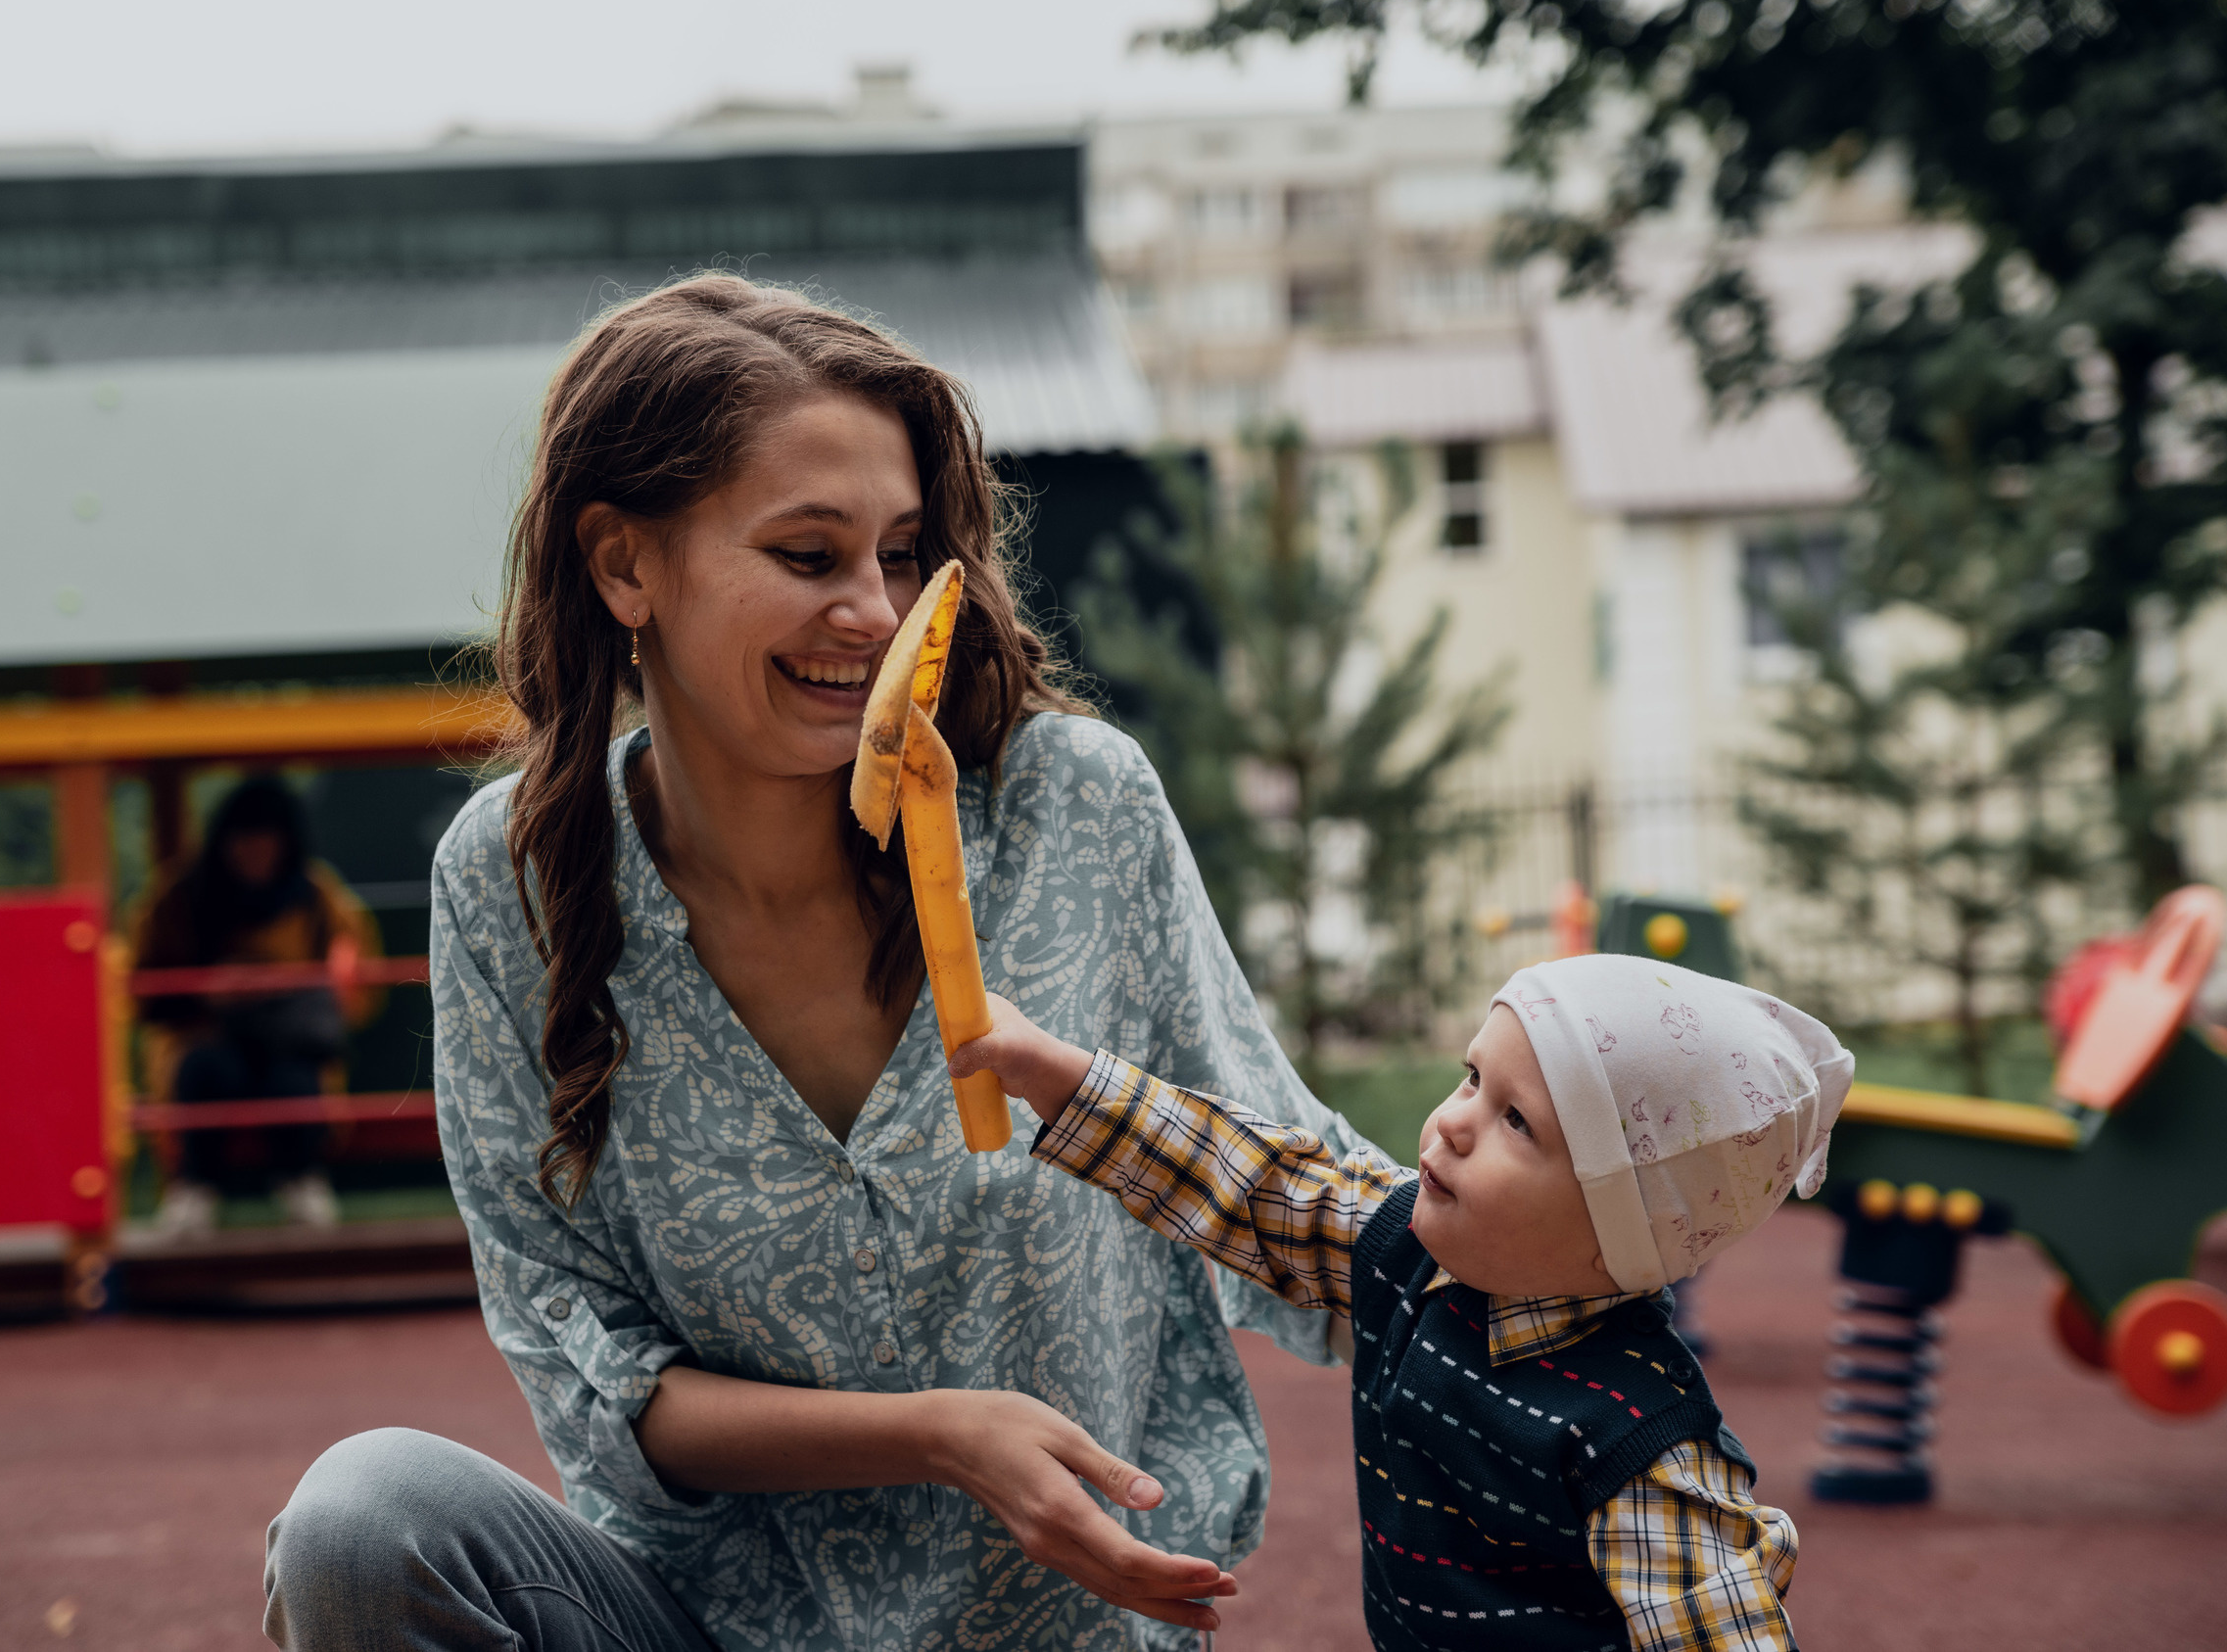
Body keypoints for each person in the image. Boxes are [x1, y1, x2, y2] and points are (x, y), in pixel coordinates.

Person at [261, 275, 1374, 1652]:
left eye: (903, 557)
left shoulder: (1070, 808)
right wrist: (940, 1436)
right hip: (706, 1628)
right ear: (625, 566)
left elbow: (1283, 1181)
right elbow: (600, 1384)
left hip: (1072, 1636)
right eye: (809, 556)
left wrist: (1547, 1201)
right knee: (363, 1522)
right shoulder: (513, 885)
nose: (874, 610)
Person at [951, 954, 1854, 1652]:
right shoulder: (1412, 1260)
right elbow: (1258, 1184)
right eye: (1471, 1077)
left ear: (1623, 1232)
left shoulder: (1636, 1443)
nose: (1453, 1120)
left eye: (1517, 1121)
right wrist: (1058, 1075)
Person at [130, 776, 382, 1236]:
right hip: (201, 1038)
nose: (256, 854)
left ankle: (303, 1184)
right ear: (223, 842)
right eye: (245, 840)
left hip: (289, 1042)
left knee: (296, 1081)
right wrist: (206, 992)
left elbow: (357, 980)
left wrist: (284, 987)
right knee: (204, 1070)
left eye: (268, 841)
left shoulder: (317, 896)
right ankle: (192, 1192)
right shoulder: (177, 898)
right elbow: (143, 988)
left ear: (288, 844)